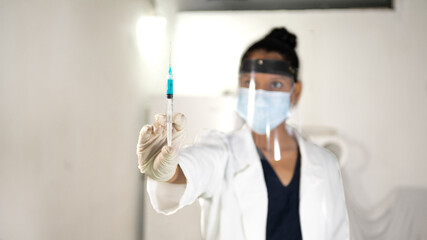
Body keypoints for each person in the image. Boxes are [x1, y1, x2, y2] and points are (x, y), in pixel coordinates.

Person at [137, 27, 350, 240]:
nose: (260, 94)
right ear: (239, 86)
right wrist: (167, 171)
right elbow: (196, 167)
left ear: (296, 92)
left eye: (275, 84)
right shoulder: (222, 151)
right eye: (250, 83)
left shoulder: (325, 164)